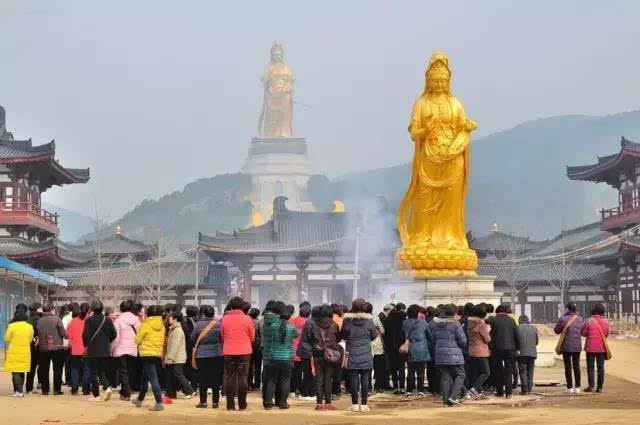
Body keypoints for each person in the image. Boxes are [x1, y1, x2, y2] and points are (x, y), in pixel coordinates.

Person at [220, 296, 256, 411]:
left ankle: (230, 405)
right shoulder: (247, 319)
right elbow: (252, 337)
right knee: (242, 378)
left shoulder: (225, 319)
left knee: (229, 378)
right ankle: (242, 404)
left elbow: (222, 336)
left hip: (228, 351)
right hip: (244, 351)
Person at [342, 298, 377, 412]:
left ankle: (355, 405)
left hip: (352, 353)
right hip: (366, 353)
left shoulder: (347, 321)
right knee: (365, 379)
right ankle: (365, 404)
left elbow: (344, 335)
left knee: (353, 380)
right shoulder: (369, 321)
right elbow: (374, 336)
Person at [263, 301, 298, 409]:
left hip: (274, 356)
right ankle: (283, 403)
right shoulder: (291, 327)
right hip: (287, 358)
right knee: (285, 380)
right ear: (289, 317)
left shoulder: (273, 326)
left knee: (272, 380)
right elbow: (296, 335)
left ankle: (268, 403)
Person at [431, 304, 467, 406]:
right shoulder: (456, 324)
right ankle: (453, 397)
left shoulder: (436, 324)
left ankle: (445, 401)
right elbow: (463, 341)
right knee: (460, 374)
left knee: (445, 377)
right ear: (454, 313)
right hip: (454, 354)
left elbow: (433, 339)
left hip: (440, 355)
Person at [132, 305, 166, 411]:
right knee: (145, 377)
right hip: (157, 354)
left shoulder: (145, 325)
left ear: (148, 314)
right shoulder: (162, 326)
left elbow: (137, 340)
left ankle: (159, 402)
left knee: (153, 378)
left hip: (146, 354)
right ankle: (139, 399)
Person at [82, 300, 117, 402]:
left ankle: (96, 395)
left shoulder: (89, 320)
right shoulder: (107, 320)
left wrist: (86, 345)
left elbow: (85, 335)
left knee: (93, 373)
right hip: (105, 350)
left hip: (93, 350)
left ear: (92, 309)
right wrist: (107, 341)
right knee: (102, 371)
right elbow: (114, 334)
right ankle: (107, 387)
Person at [192, 305, 223, 408]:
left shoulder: (198, 325)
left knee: (202, 378)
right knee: (216, 378)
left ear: (203, 313)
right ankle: (215, 402)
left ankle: (203, 402)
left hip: (202, 354)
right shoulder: (218, 324)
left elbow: (192, 338)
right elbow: (222, 338)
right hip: (216, 354)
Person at [312, 304, 341, 411]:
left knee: (319, 379)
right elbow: (338, 338)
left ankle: (319, 404)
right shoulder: (334, 325)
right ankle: (328, 403)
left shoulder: (314, 324)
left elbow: (310, 338)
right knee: (328, 378)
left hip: (317, 353)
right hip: (330, 354)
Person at [111, 300, 140, 401]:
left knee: (123, 372)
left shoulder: (118, 320)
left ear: (121, 309)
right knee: (129, 371)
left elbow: (116, 338)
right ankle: (124, 392)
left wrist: (112, 349)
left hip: (120, 349)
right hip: (133, 349)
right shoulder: (136, 320)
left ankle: (126, 393)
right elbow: (140, 334)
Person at [36, 304, 67, 396]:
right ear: (52, 310)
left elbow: (38, 333)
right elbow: (63, 333)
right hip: (57, 347)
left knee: (44, 369)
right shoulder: (57, 319)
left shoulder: (39, 321)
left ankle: (45, 390)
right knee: (57, 369)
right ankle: (57, 390)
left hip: (43, 348)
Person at [490, 304, 519, 399]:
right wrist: (517, 348)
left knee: (498, 370)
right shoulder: (512, 321)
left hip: (497, 349)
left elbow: (491, 335)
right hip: (510, 349)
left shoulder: (494, 320)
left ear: (497, 311)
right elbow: (516, 334)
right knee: (508, 370)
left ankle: (500, 391)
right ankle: (508, 392)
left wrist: (490, 347)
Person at [554, 302, 584, 393]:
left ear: (567, 309)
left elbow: (556, 330)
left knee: (568, 367)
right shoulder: (580, 319)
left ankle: (570, 387)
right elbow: (582, 331)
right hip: (577, 346)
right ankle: (577, 387)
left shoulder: (563, 318)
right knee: (576, 366)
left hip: (566, 346)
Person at [403, 304, 431, 398]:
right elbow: (429, 335)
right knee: (421, 371)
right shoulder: (423, 323)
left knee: (410, 370)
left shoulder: (405, 323)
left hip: (410, 347)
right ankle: (420, 390)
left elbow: (403, 334)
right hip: (421, 348)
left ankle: (409, 390)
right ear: (417, 313)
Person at [4, 308, 34, 397]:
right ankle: (19, 389)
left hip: (14, 351)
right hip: (25, 351)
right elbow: (30, 339)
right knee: (22, 370)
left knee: (15, 371)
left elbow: (6, 338)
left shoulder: (11, 326)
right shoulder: (29, 327)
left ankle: (18, 391)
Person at [165, 311, 195, 399]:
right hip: (176, 357)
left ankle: (190, 391)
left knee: (178, 374)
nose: (169, 319)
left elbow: (175, 345)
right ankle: (170, 393)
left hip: (177, 357)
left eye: (170, 318)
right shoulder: (173, 329)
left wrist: (170, 357)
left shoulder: (177, 330)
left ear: (175, 319)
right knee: (172, 375)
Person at [581, 303, 610, 393]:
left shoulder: (589, 321)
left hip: (590, 347)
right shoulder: (606, 321)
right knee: (600, 367)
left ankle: (591, 386)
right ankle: (600, 388)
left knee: (590, 367)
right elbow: (606, 334)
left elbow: (583, 333)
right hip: (601, 347)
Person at [467, 304, 491, 399]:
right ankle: (473, 390)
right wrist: (488, 330)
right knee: (486, 372)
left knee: (476, 373)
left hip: (472, 350)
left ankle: (478, 392)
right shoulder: (481, 325)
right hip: (481, 351)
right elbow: (487, 339)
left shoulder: (470, 323)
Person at [66, 303, 90, 395]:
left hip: (75, 349)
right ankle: (86, 389)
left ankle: (74, 388)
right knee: (86, 369)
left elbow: (69, 335)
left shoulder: (73, 321)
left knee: (75, 369)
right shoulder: (90, 320)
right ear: (88, 310)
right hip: (87, 349)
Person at [383, 303, 407, 394]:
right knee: (401, 367)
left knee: (393, 368)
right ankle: (402, 387)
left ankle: (395, 387)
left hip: (390, 347)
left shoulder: (387, 320)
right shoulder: (404, 320)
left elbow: (385, 334)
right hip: (402, 346)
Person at [296, 305, 317, 400]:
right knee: (308, 372)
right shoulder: (310, 322)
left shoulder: (310, 321)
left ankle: (307, 392)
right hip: (307, 350)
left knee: (308, 372)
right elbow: (310, 336)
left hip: (305, 349)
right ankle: (306, 393)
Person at [289, 302, 309, 399]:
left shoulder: (293, 320)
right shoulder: (309, 322)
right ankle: (302, 390)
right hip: (305, 351)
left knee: (294, 372)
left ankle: (292, 390)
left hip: (294, 350)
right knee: (305, 372)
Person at [25, 302, 42, 394]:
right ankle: (41, 383)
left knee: (31, 368)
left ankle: (29, 387)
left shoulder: (28, 321)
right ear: (38, 310)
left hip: (31, 346)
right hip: (40, 346)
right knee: (42, 366)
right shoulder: (41, 320)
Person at [247, 308, 262, 391]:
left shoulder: (247, 321)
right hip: (257, 346)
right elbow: (260, 334)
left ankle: (249, 383)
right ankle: (257, 385)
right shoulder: (259, 322)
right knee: (258, 366)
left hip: (249, 345)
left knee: (249, 366)